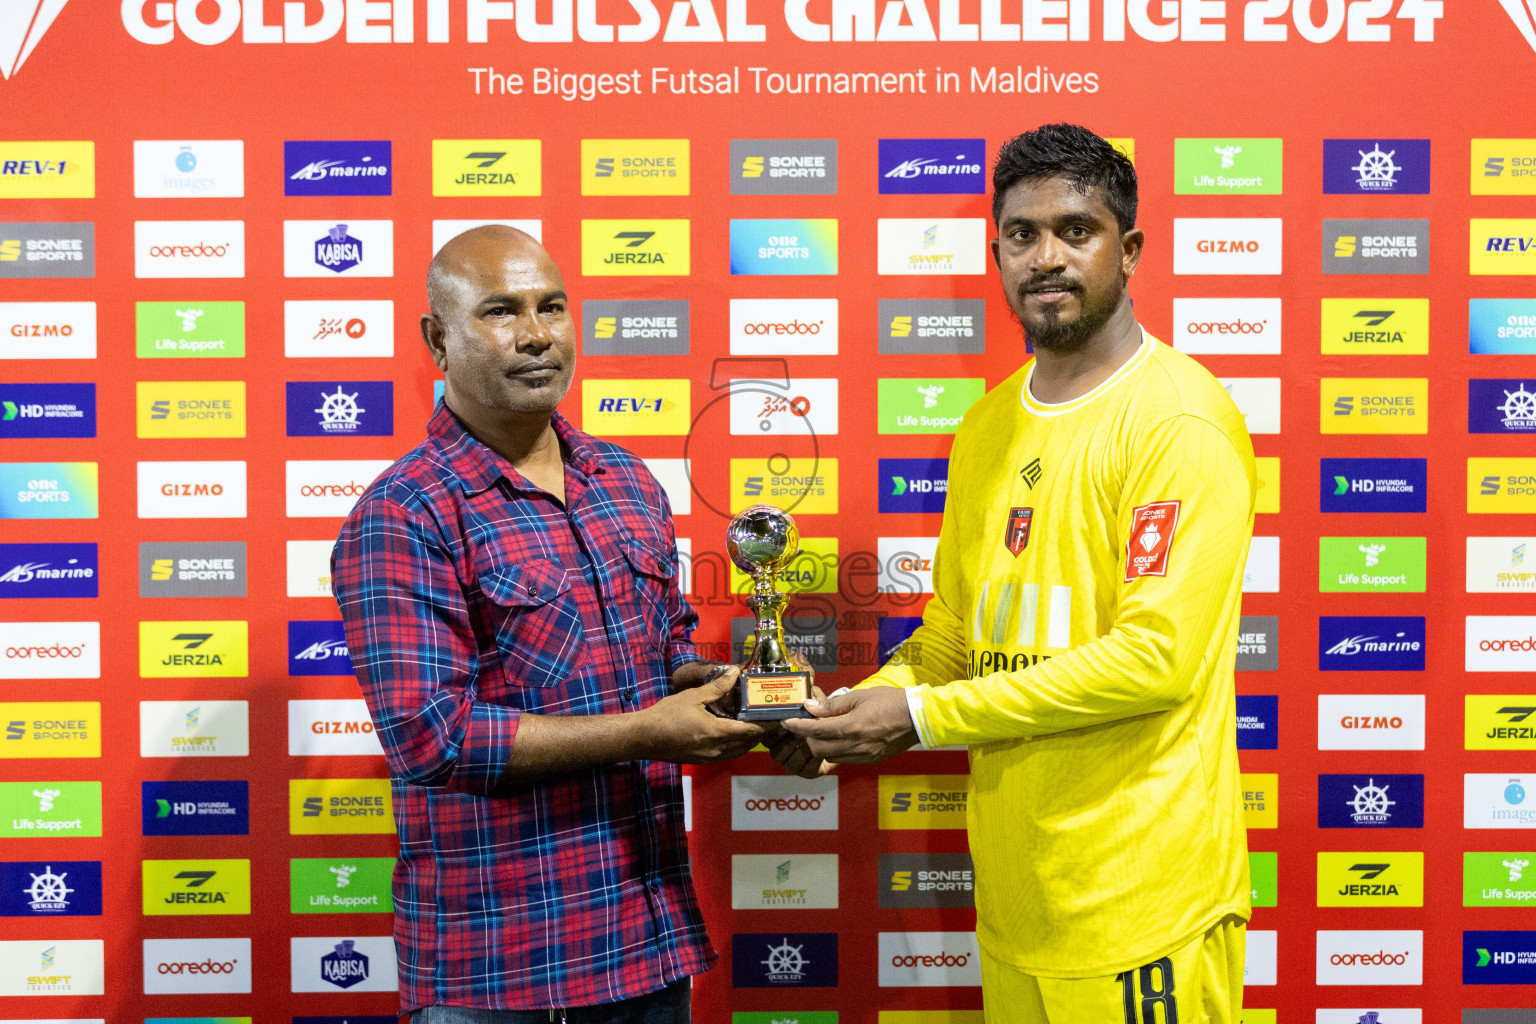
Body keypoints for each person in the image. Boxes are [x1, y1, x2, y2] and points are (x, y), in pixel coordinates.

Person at [776, 124, 1257, 1023]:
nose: (1047, 258)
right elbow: (958, 636)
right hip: (1016, 902)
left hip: (1139, 909)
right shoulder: (987, 427)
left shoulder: (1179, 421)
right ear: (993, 250)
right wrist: (853, 712)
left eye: (1077, 230)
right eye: (1022, 234)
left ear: (1131, 249)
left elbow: (1158, 658)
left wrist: (917, 717)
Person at [331, 225, 772, 1024]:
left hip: (649, 943)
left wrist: (708, 686)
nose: (536, 334)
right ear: (438, 339)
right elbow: (438, 739)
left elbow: (659, 647)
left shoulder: (626, 481)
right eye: (501, 311)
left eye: (553, 307)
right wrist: (649, 731)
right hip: (502, 973)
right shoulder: (403, 513)